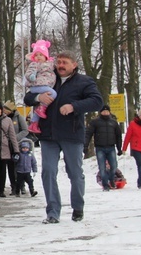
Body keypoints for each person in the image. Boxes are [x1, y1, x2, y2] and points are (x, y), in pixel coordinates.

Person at [24, 50, 103, 224]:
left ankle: (77, 207)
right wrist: (39, 97)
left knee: (74, 173)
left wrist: (73, 106)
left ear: (74, 65)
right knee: (48, 172)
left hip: (71, 134)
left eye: (64, 63)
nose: (60, 66)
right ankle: (53, 212)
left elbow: (97, 101)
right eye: (58, 62)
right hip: (48, 135)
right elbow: (28, 97)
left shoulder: (84, 82)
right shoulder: (49, 77)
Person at [84, 104, 122, 191]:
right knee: (102, 167)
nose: (105, 113)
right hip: (100, 148)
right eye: (103, 111)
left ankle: (111, 179)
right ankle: (105, 184)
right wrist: (86, 145)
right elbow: (88, 134)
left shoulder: (113, 122)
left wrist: (119, 148)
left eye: (107, 111)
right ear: (100, 112)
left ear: (109, 112)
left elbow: (118, 136)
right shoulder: (95, 122)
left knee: (114, 166)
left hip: (111, 147)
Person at [25, 39, 57, 134]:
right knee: (52, 93)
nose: (38, 57)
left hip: (45, 85)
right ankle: (41, 107)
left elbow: (55, 63)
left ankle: (34, 124)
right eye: (36, 55)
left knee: (49, 93)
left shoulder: (50, 64)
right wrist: (31, 76)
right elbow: (29, 73)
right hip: (37, 85)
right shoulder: (35, 64)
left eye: (41, 55)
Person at [3, 100, 28, 192]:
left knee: (19, 165)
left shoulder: (18, 117)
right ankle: (13, 185)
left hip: (17, 145)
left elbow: (25, 130)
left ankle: (21, 185)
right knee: (10, 166)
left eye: (5, 109)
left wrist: (15, 138)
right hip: (7, 145)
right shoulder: (3, 118)